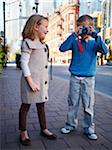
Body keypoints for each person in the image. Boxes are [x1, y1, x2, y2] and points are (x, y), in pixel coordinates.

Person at [59, 15, 108, 140]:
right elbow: (62, 48)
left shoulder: (94, 42)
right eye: (80, 27)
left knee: (88, 105)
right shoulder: (75, 41)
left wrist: (96, 35)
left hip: (89, 79)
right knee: (72, 103)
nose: (84, 30)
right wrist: (74, 35)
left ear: (91, 27)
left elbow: (104, 50)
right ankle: (70, 125)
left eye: (86, 27)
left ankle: (89, 128)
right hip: (75, 78)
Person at [19, 14, 57, 146]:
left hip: (41, 81)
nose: (47, 30)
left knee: (41, 105)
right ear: (36, 26)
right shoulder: (27, 43)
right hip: (30, 81)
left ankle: (44, 129)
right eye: (45, 27)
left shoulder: (42, 45)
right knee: (25, 106)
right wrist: (30, 82)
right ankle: (23, 132)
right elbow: (24, 63)